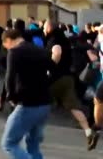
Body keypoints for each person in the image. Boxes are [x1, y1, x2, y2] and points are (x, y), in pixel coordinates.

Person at [44, 20, 99, 150]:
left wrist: (50, 69)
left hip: (55, 79)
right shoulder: (64, 38)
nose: (43, 30)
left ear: (49, 28)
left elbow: (56, 52)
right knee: (73, 106)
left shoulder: (54, 39)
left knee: (37, 101)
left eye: (45, 27)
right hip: (68, 78)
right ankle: (88, 132)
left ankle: (30, 132)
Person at [0, 29, 52, 159]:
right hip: (45, 103)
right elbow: (53, 70)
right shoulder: (39, 50)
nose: (7, 50)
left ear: (8, 41)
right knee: (33, 143)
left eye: (5, 46)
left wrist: (11, 97)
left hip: (27, 103)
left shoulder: (14, 52)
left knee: (8, 143)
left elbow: (9, 78)